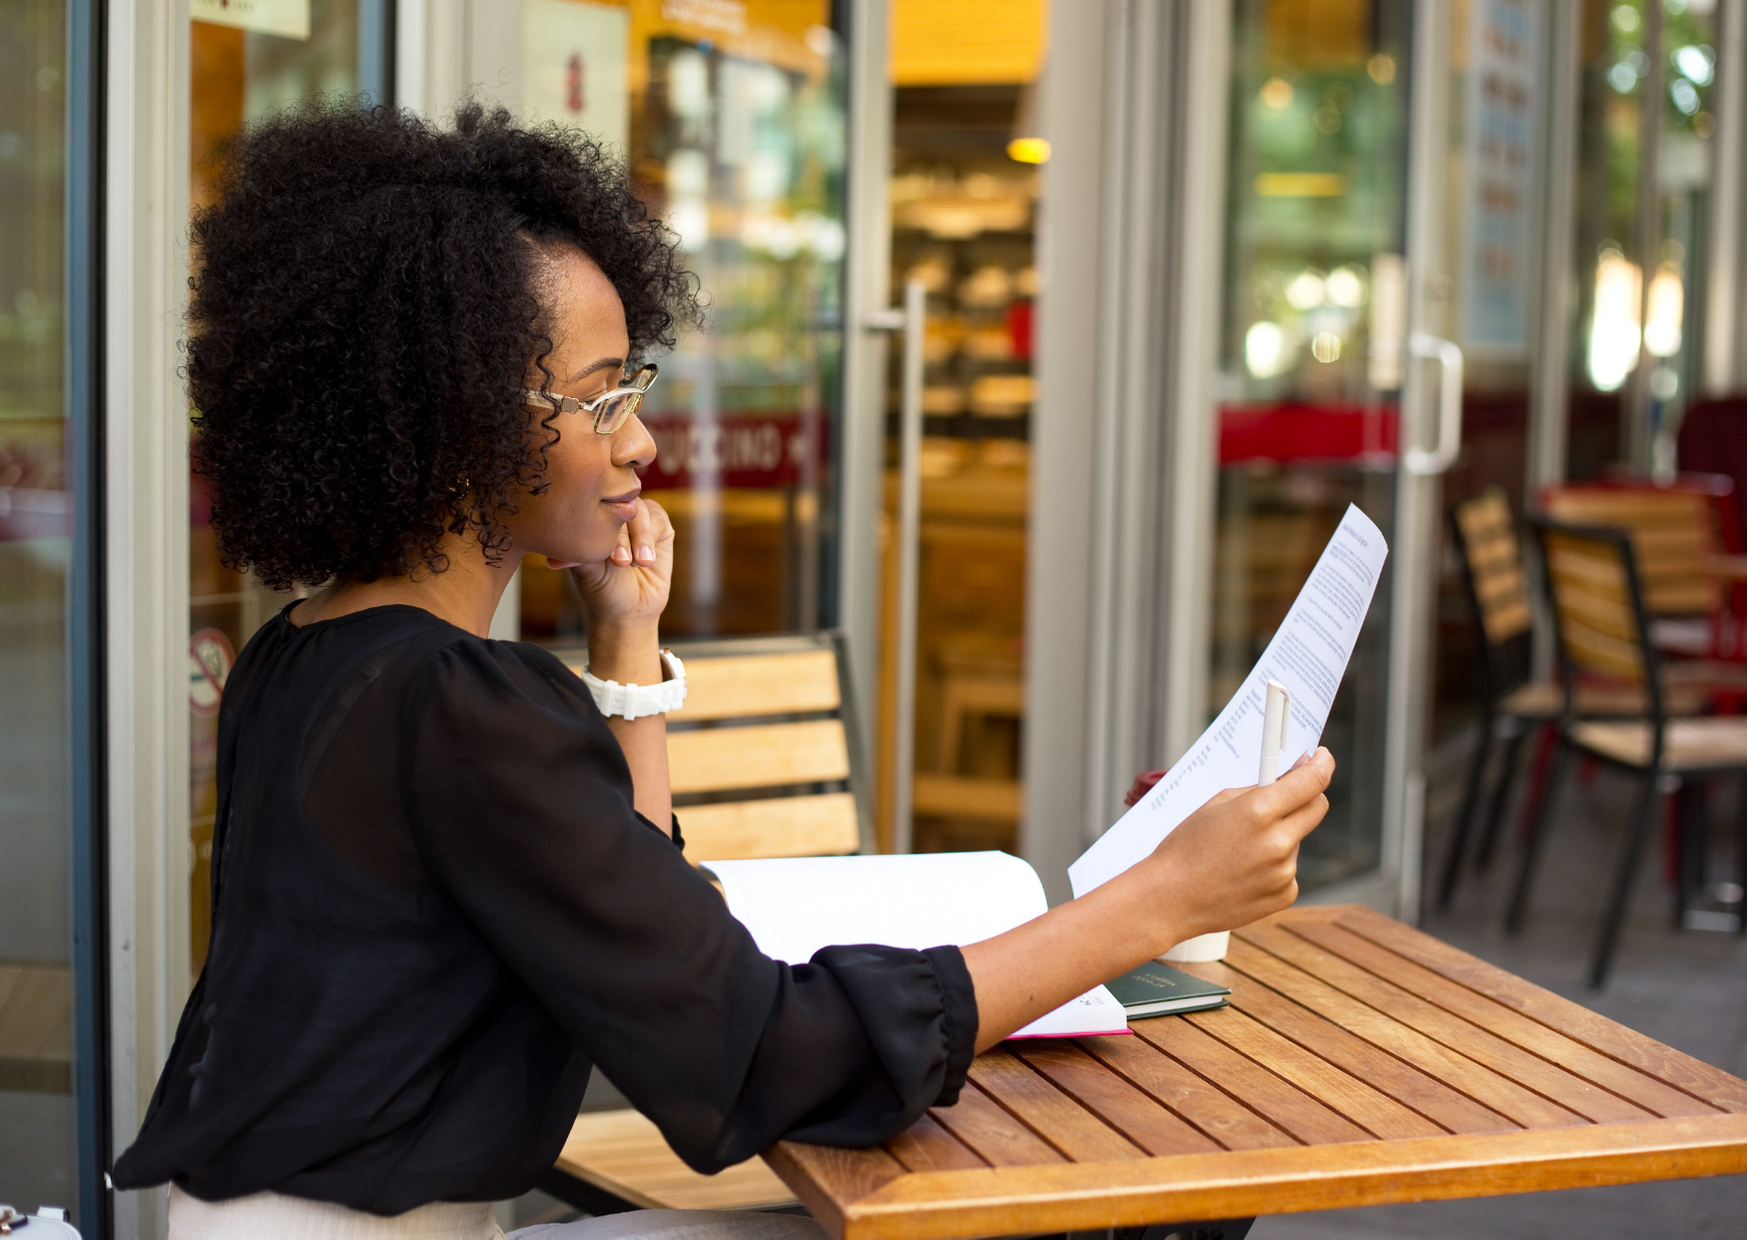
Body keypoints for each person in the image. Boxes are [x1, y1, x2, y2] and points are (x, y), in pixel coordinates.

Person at [113, 104, 1334, 1240]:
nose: (640, 437)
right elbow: (750, 1057)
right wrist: (1156, 903)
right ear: (454, 425)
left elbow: (647, 936)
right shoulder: (456, 706)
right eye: (600, 399)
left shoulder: (310, 653)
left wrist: (624, 647)